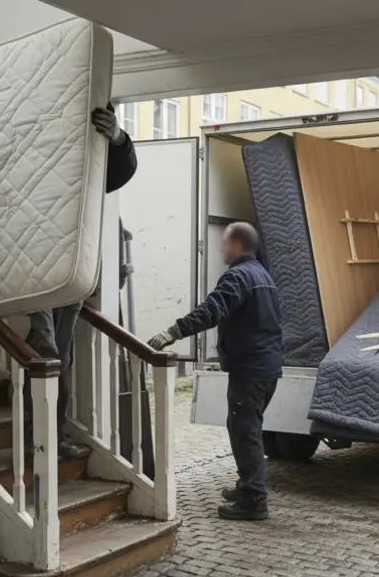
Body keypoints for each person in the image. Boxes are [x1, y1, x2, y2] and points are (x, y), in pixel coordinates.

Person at [147, 223, 283, 520]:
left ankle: (253, 501)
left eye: (225, 243)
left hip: (250, 369)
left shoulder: (238, 276)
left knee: (245, 432)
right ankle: (248, 485)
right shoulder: (263, 276)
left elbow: (212, 309)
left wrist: (174, 331)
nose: (222, 249)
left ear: (237, 245)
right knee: (246, 429)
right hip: (267, 367)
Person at [24, 105, 138, 459]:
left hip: (73, 266)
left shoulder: (87, 160)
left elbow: (119, 173)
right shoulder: (37, 155)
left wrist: (118, 140)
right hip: (38, 263)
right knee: (46, 352)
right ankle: (37, 440)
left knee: (62, 357)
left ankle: (52, 437)